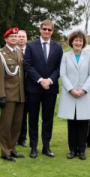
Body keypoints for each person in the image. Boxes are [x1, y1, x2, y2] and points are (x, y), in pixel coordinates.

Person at [24, 19, 63, 158]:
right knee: (33, 118)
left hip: (50, 89)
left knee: (48, 119)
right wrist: (40, 80)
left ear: (53, 31)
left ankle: (46, 147)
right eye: (44, 29)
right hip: (34, 88)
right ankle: (33, 147)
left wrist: (50, 80)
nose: (46, 32)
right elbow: (27, 65)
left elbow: (60, 67)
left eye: (49, 30)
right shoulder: (31, 46)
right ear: (40, 29)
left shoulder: (58, 47)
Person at [57, 30, 90, 160]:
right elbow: (63, 74)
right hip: (70, 94)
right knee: (72, 123)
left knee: (83, 124)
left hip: (84, 94)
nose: (78, 43)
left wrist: (84, 90)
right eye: (76, 40)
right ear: (72, 42)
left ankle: (82, 150)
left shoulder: (89, 56)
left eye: (80, 40)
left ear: (83, 42)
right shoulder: (66, 56)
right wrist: (71, 89)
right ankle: (72, 150)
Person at [0, 28, 26, 162]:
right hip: (8, 94)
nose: (14, 38)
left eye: (16, 36)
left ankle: (12, 148)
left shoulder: (19, 52)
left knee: (16, 124)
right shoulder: (0, 54)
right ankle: (5, 151)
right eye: (11, 36)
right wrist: (1, 95)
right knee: (6, 124)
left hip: (20, 94)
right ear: (6, 39)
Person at [17, 29, 29, 147]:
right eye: (19, 36)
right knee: (17, 114)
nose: (21, 39)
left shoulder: (30, 51)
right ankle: (14, 137)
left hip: (29, 87)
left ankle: (23, 138)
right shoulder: (13, 52)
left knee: (25, 113)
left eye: (23, 37)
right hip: (16, 88)